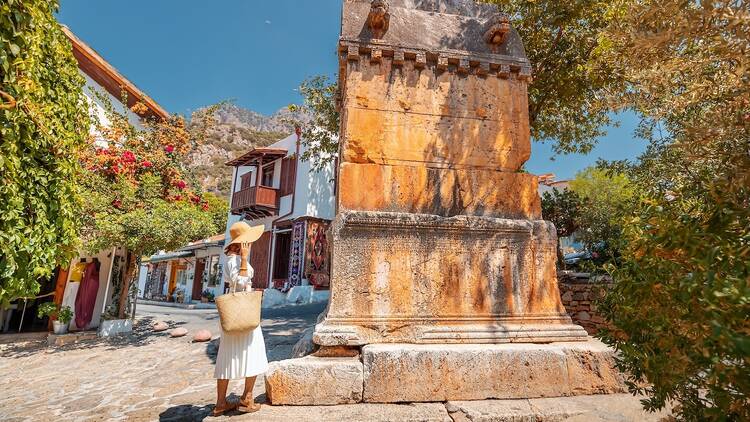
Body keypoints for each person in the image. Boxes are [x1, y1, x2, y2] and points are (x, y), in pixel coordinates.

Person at [213, 222, 268, 416]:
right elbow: (241, 282)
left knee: (227, 355)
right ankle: (247, 398)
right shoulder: (235, 260)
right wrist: (245, 260)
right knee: (254, 351)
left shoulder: (231, 259)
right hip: (243, 311)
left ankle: (221, 402)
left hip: (234, 312)